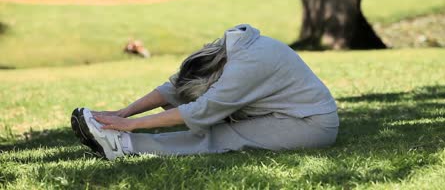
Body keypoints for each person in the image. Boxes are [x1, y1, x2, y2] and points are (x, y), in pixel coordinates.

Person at [71, 24, 339, 160]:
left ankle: (123, 146)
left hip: (309, 124)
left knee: (221, 136)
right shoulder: (226, 49)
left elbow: (201, 110)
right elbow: (175, 88)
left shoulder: (245, 66)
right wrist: (121, 113)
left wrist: (130, 126)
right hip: (286, 112)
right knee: (208, 121)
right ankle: (116, 137)